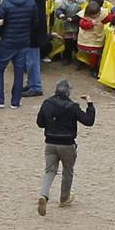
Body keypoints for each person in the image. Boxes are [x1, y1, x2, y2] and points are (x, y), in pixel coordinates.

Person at [35, 79, 95, 216]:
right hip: (67, 144)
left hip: (50, 143)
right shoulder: (72, 106)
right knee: (67, 171)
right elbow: (88, 121)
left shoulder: (47, 103)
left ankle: (43, 194)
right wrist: (90, 104)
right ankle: (64, 198)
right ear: (68, 92)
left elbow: (40, 123)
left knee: (49, 171)